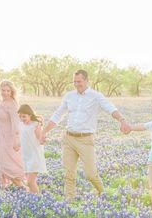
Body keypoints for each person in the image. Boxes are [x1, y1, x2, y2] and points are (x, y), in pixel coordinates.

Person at [42, 69, 129, 202]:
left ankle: (103, 193)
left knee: (90, 174)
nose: (77, 84)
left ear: (87, 81)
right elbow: (58, 114)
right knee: (68, 174)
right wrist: (44, 132)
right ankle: (69, 200)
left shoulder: (96, 96)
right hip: (69, 138)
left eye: (80, 81)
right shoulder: (69, 96)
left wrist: (122, 120)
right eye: (75, 82)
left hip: (85, 139)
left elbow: (110, 108)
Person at [0, 80, 26, 188]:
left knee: (6, 163)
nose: (5, 93)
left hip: (8, 137)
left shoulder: (13, 104)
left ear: (12, 92)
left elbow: (16, 123)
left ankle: (23, 188)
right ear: (0, 90)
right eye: (3, 90)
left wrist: (16, 139)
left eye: (8, 91)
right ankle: (5, 186)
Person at [18, 103, 47, 194]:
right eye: (20, 116)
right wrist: (17, 145)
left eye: (24, 116)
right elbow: (23, 138)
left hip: (34, 156)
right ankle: (31, 198)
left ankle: (37, 200)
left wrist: (43, 139)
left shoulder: (35, 125)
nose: (22, 119)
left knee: (30, 182)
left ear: (30, 115)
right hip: (26, 155)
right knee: (28, 182)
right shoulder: (22, 125)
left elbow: (40, 139)